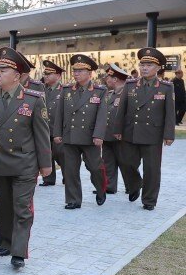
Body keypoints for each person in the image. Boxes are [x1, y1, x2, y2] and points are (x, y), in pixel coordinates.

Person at [0, 48, 52, 269]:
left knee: (22, 208)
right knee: (3, 206)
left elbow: (42, 134)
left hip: (25, 163)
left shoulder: (33, 99)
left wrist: (46, 164)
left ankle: (19, 251)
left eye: (3, 70)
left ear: (17, 75)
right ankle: (5, 243)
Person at [114, 48, 176, 211]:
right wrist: (117, 128)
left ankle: (149, 200)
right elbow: (122, 108)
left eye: (148, 65)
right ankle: (135, 184)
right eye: (142, 65)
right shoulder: (130, 84)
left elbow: (170, 113)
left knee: (152, 169)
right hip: (130, 132)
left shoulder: (166, 87)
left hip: (153, 134)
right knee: (126, 163)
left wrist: (169, 134)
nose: (144, 68)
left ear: (157, 68)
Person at [52, 54, 107, 209]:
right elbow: (59, 113)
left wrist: (99, 135)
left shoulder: (99, 91)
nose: (76, 73)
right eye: (75, 70)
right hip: (70, 136)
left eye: (80, 71)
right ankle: (73, 200)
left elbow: (102, 115)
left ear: (89, 74)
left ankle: (101, 189)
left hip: (90, 137)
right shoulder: (67, 90)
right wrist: (57, 133)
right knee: (70, 170)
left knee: (95, 167)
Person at [101, 64, 131, 195]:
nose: (107, 80)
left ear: (115, 79)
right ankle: (109, 186)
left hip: (121, 135)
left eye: (109, 77)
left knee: (125, 163)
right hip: (107, 135)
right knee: (108, 161)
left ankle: (131, 187)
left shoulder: (128, 94)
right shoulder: (110, 93)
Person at [39, 60, 65, 187]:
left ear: (58, 76)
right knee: (47, 153)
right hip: (45, 128)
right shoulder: (42, 89)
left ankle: (68, 176)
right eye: (45, 74)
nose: (46, 76)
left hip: (58, 129)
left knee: (62, 155)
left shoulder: (64, 90)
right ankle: (48, 179)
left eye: (49, 74)